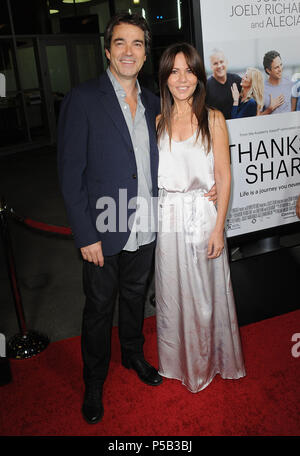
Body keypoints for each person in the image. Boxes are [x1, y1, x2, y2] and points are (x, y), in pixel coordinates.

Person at [57, 13, 164, 425]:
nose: (128, 51)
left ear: (145, 52)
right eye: (120, 42)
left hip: (146, 224)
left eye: (137, 43)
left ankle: (134, 356)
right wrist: (85, 233)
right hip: (102, 228)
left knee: (136, 297)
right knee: (99, 307)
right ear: (107, 49)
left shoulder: (155, 101)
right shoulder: (83, 99)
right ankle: (93, 382)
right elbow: (70, 174)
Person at [155, 43, 246, 393]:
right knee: (172, 294)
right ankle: (179, 361)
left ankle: (213, 360)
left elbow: (223, 176)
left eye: (189, 70)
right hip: (169, 220)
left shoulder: (214, 119)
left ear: (198, 76)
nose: (182, 78)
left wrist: (218, 228)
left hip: (204, 219)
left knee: (208, 297)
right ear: (164, 77)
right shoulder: (158, 121)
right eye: (174, 71)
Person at [206, 49, 241, 119]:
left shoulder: (236, 80)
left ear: (226, 62)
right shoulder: (207, 86)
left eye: (221, 62)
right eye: (215, 63)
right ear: (211, 66)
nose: (219, 66)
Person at [261, 50, 294, 115]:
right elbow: (256, 118)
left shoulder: (290, 83)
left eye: (281, 65)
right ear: (268, 70)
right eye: (276, 67)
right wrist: (270, 109)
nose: (280, 69)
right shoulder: (262, 89)